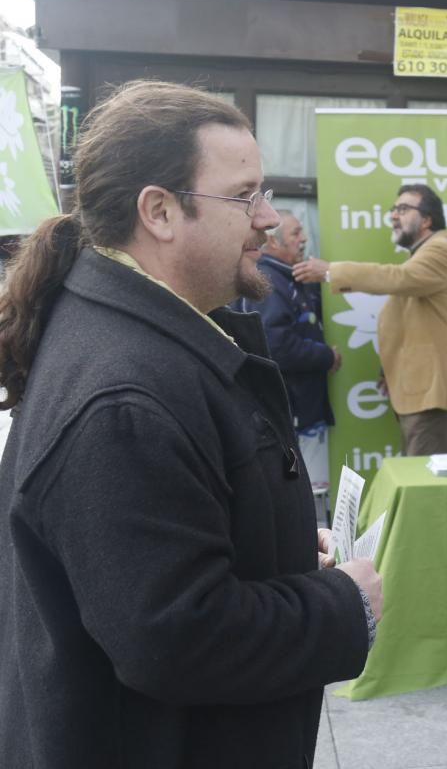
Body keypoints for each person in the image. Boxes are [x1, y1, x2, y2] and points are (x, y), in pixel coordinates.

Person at [0, 80, 382, 769]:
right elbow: (177, 635)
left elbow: (167, 544)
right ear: (160, 211)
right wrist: (342, 604)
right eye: (244, 195)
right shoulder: (124, 396)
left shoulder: (144, 337)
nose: (268, 217)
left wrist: (276, 539)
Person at [294, 183, 447, 455]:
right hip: (421, 392)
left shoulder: (440, 251)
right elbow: (410, 320)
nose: (393, 216)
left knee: (422, 482)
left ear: (427, 219)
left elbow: (395, 278)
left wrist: (331, 271)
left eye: (403, 209)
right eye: (393, 209)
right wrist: (391, 370)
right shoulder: (425, 254)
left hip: (432, 395)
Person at [238, 210, 340, 494]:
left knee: (313, 492)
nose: (304, 239)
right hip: (289, 412)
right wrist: (326, 356)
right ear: (273, 242)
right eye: (295, 233)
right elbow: (276, 345)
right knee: (303, 494)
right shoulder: (268, 280)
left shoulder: (291, 277)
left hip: (300, 409)